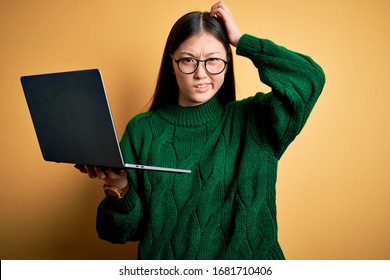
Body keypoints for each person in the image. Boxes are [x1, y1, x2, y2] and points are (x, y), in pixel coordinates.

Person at [76, 1, 325, 259]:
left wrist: (242, 40)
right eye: (187, 60)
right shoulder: (143, 130)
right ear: (171, 65)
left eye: (214, 60)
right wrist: (118, 186)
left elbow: (309, 78)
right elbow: (116, 233)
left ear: (228, 63)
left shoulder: (256, 119)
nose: (201, 73)